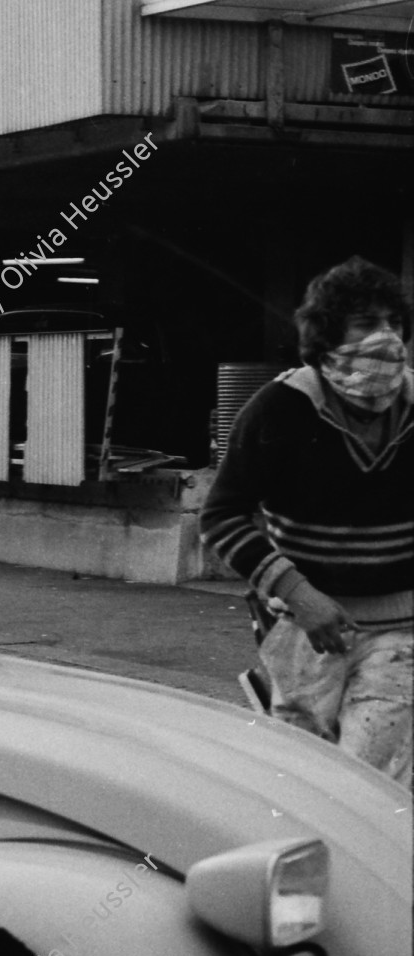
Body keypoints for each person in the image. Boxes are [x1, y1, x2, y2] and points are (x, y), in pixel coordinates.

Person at [201, 256, 413, 785]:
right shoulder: (279, 409)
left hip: (402, 628)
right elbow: (223, 515)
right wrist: (298, 593)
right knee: (299, 774)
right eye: (367, 323)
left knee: (374, 777)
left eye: (395, 324)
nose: (387, 338)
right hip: (302, 626)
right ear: (328, 335)